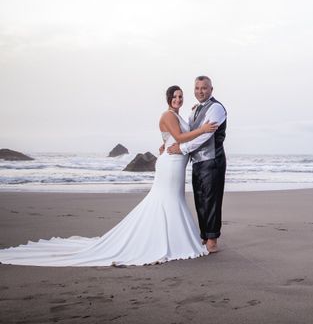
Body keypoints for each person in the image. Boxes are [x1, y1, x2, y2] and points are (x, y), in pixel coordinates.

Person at [0, 86, 216, 266]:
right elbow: (179, 136)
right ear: (168, 98)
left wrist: (166, 143)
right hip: (170, 164)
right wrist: (204, 129)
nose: (178, 99)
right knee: (166, 200)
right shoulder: (167, 114)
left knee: (173, 200)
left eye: (180, 96)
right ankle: (169, 242)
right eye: (175, 96)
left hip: (177, 162)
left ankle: (173, 239)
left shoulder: (177, 114)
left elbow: (172, 138)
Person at [168, 75, 227, 254]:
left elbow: (204, 135)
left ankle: (212, 240)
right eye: (197, 88)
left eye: (204, 88)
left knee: (212, 200)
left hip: (212, 160)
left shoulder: (216, 108)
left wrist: (182, 148)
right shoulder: (194, 110)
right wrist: (168, 142)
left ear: (211, 89)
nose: (200, 91)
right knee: (200, 200)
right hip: (198, 161)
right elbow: (187, 132)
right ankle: (204, 236)